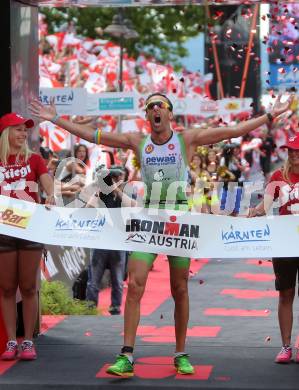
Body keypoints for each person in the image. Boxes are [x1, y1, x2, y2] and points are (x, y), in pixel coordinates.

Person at [29, 92, 293, 376]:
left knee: (179, 289)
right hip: (149, 219)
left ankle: (180, 352)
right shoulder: (137, 142)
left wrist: (270, 116)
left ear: (169, 114)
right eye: (150, 107)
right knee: (136, 284)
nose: (155, 110)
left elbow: (233, 130)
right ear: (147, 116)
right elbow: (95, 136)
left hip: (179, 220)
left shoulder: (186, 139)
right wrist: (56, 119)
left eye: (160, 106)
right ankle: (126, 355)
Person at [0, 113, 54, 361]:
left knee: (29, 287)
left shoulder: (34, 159)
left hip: (30, 228)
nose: (23, 134)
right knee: (7, 287)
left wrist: (51, 195)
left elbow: (47, 185)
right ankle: (12, 341)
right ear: (6, 133)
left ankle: (28, 341)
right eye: (18, 129)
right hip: (3, 231)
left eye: (25, 130)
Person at [248, 133, 299, 364]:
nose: (293, 154)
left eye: (297, 150)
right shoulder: (279, 176)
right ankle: (286, 346)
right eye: (290, 150)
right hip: (285, 243)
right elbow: (265, 206)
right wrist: (249, 213)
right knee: (286, 293)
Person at [85, 165, 128, 315]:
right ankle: (90, 308)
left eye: (119, 178)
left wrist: (117, 190)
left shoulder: (127, 193)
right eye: (114, 178)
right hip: (101, 241)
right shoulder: (101, 194)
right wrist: (98, 192)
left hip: (118, 242)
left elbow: (134, 206)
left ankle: (115, 307)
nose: (116, 181)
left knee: (118, 280)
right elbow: (87, 209)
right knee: (94, 280)